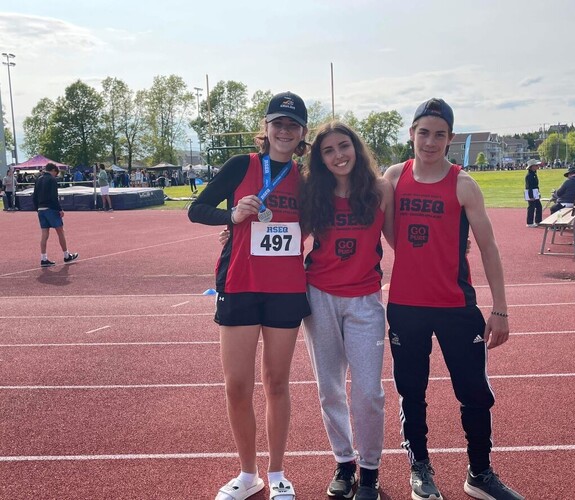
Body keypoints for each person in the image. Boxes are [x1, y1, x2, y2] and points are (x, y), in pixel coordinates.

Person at [383, 98, 523, 500]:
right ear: (411, 134)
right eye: (423, 132)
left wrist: (500, 309)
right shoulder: (393, 178)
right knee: (412, 391)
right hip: (406, 307)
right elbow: (367, 219)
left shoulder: (463, 183)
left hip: (456, 307)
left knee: (474, 392)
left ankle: (479, 473)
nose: (430, 141)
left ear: (450, 139)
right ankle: (420, 469)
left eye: (439, 134)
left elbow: (489, 248)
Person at [188, 91, 310, 500]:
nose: (284, 131)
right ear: (266, 128)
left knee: (277, 382)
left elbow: (315, 223)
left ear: (302, 133)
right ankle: (248, 473)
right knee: (236, 385)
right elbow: (196, 209)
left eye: (292, 125)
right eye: (278, 123)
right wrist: (232, 216)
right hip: (239, 284)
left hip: (286, 290)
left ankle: (276, 474)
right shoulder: (242, 165)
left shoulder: (307, 178)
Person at [299, 122, 394, 500]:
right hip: (319, 296)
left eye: (344, 146)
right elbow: (290, 236)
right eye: (329, 150)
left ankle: (369, 469)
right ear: (320, 159)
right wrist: (236, 231)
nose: (339, 155)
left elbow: (401, 239)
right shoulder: (313, 194)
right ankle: (344, 463)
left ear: (356, 148)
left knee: (369, 392)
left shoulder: (380, 190)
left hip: (365, 301)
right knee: (330, 389)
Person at [32, 163, 79, 268]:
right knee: (60, 231)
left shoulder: (38, 179)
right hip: (51, 209)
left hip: (41, 209)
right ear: (53, 170)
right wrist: (59, 209)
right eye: (56, 173)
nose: (56, 175)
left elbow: (34, 196)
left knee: (44, 234)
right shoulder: (52, 180)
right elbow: (54, 196)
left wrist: (37, 208)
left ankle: (43, 258)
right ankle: (66, 255)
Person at [524, 159, 543, 227]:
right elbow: (529, 187)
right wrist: (531, 196)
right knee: (531, 207)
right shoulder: (529, 175)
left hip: (535, 192)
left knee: (539, 207)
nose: (537, 166)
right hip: (531, 192)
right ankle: (529, 222)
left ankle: (538, 221)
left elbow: (536, 186)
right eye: (536, 165)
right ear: (532, 166)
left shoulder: (534, 174)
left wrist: (538, 193)